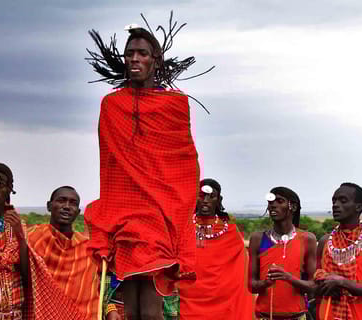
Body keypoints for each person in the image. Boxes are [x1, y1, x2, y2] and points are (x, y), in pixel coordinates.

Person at [84, 14, 211, 320]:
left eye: (142, 53)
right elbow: (109, 166)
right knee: (131, 304)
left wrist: (178, 214)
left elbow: (184, 162)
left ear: (156, 60)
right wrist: (109, 219)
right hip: (125, 214)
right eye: (129, 53)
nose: (134, 59)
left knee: (151, 307)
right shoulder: (111, 105)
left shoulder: (175, 104)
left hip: (161, 214)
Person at [0, 162, 82, 320]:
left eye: (0, 186)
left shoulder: (17, 224)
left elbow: (26, 273)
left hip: (14, 311)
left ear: (9, 189)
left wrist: (19, 234)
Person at [177, 179, 255, 319]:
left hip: (224, 299)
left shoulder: (230, 231)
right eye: (201, 196)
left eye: (211, 196)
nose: (206, 201)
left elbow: (240, 271)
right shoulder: (182, 227)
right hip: (188, 296)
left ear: (219, 200)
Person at [314, 182, 362, 320]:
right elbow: (315, 286)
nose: (335, 205)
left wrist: (342, 283)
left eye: (343, 201)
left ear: (358, 207)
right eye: (334, 201)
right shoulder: (325, 241)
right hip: (326, 314)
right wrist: (325, 284)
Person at [26, 186, 101, 317]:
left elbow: (101, 286)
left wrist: (111, 309)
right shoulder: (31, 238)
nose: (67, 206)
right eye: (61, 200)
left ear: (78, 212)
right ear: (49, 206)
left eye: (73, 203)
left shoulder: (88, 248)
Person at [248, 186, 317, 320]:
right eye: (270, 202)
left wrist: (288, 278)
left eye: (280, 201)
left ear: (293, 207)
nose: (273, 206)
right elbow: (251, 285)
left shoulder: (307, 239)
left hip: (297, 316)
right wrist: (265, 283)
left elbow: (313, 286)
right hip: (264, 316)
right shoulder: (258, 239)